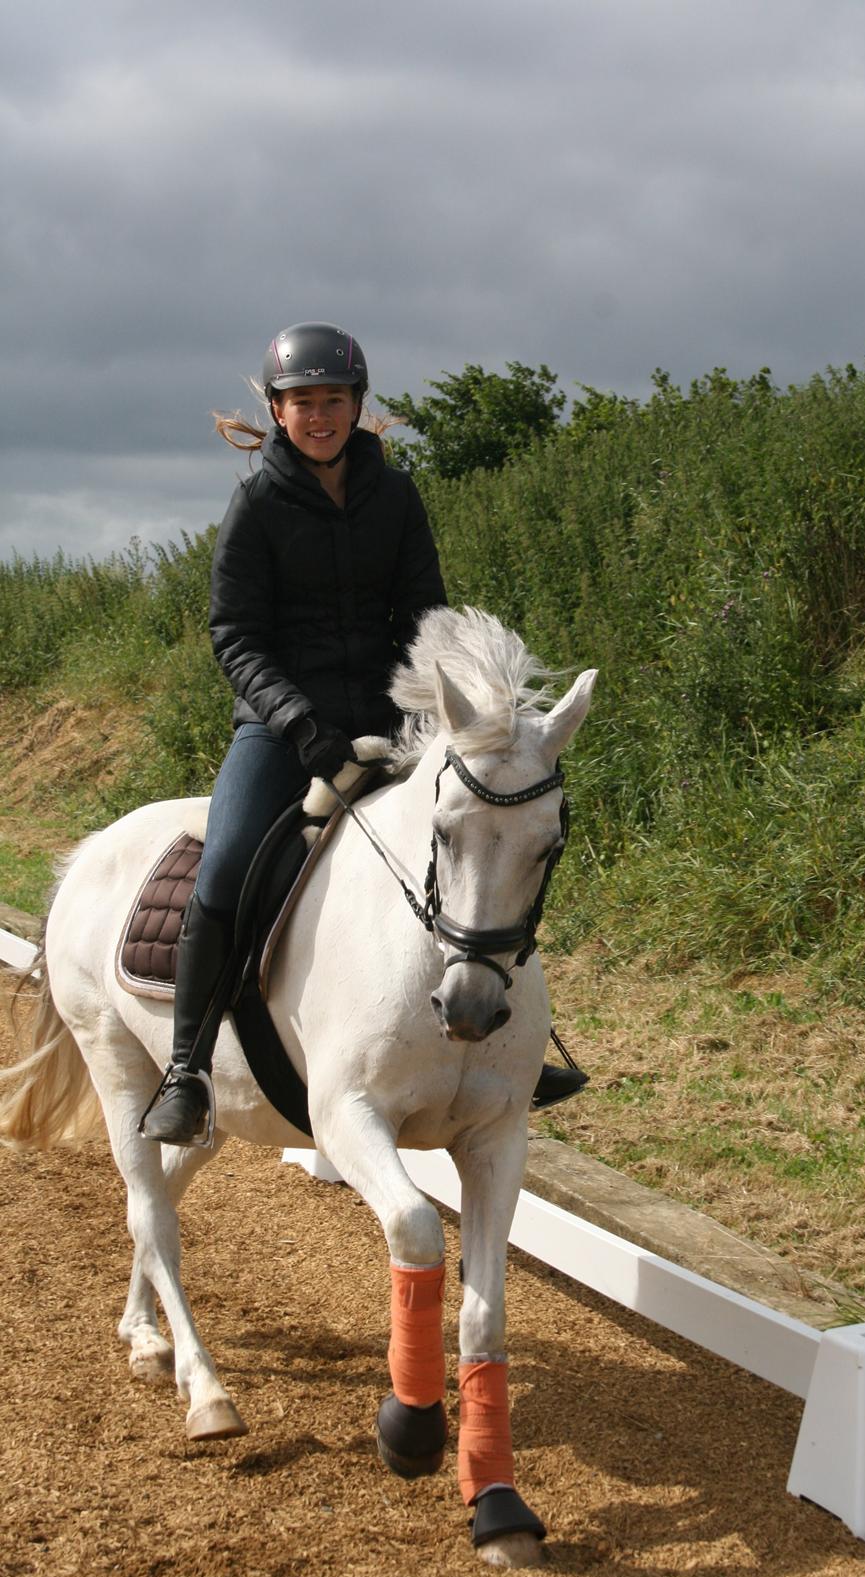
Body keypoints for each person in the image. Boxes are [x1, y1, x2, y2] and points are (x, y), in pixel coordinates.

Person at [141, 321, 585, 1146]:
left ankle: (517, 1047)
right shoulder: (257, 504)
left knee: (487, 841)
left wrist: (457, 711)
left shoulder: (397, 496)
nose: (320, 416)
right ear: (277, 412)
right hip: (284, 734)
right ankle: (187, 1067)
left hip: (393, 726)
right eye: (303, 403)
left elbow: (425, 617)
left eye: (334, 401)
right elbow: (236, 635)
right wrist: (296, 720)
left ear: (356, 407)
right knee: (228, 868)